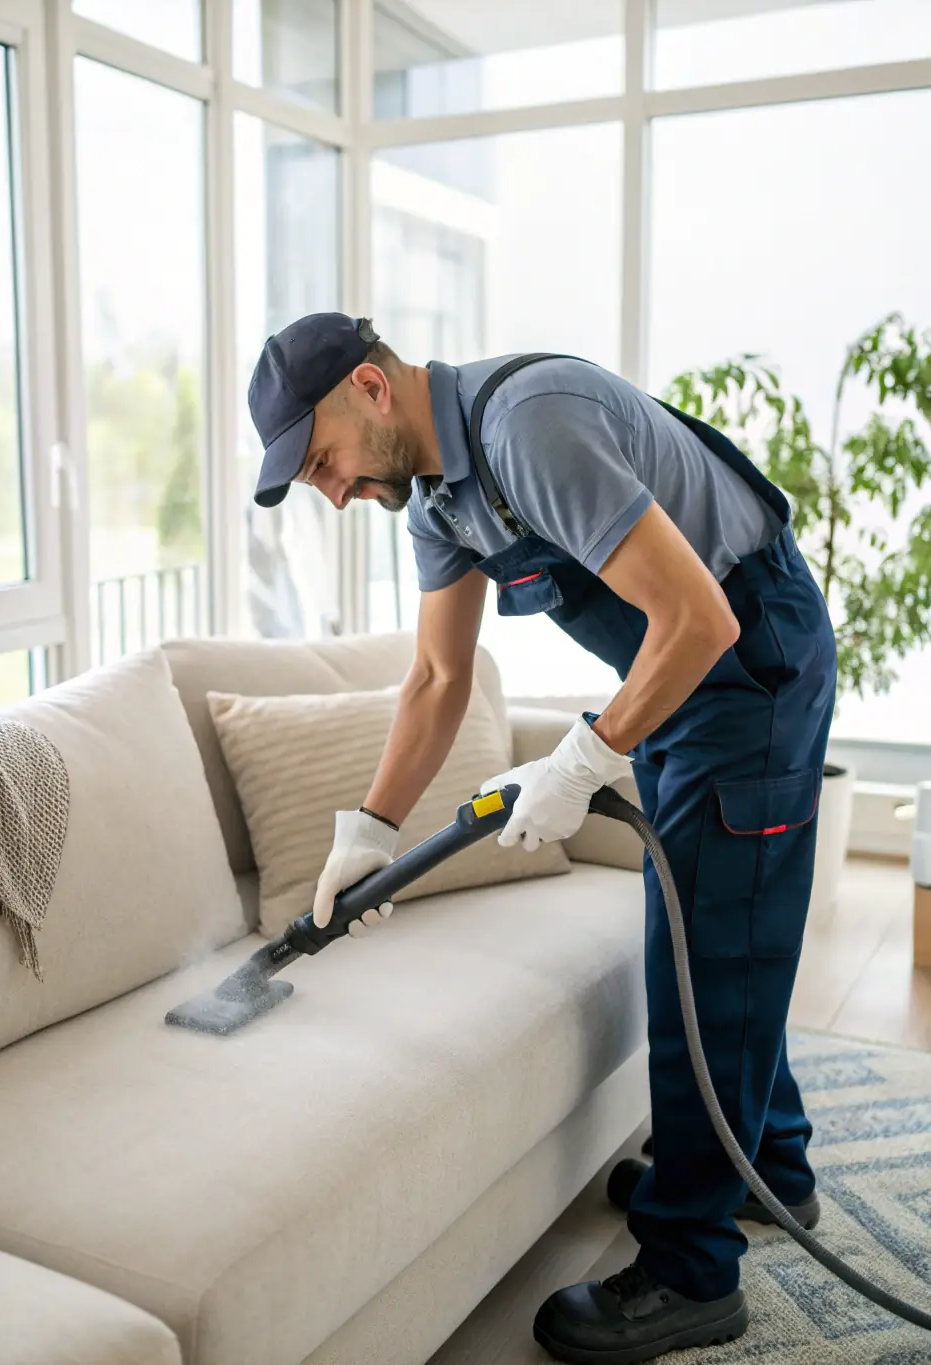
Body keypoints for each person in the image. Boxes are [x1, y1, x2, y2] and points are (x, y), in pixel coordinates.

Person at [247, 312, 837, 1365]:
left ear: (372, 390)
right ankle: (770, 1172)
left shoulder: (530, 425)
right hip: (683, 684)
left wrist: (580, 758)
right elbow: (437, 678)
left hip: (750, 665)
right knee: (711, 928)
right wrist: (368, 831)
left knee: (712, 945)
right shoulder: (440, 501)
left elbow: (702, 619)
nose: (329, 491)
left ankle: (690, 1271)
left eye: (322, 459)